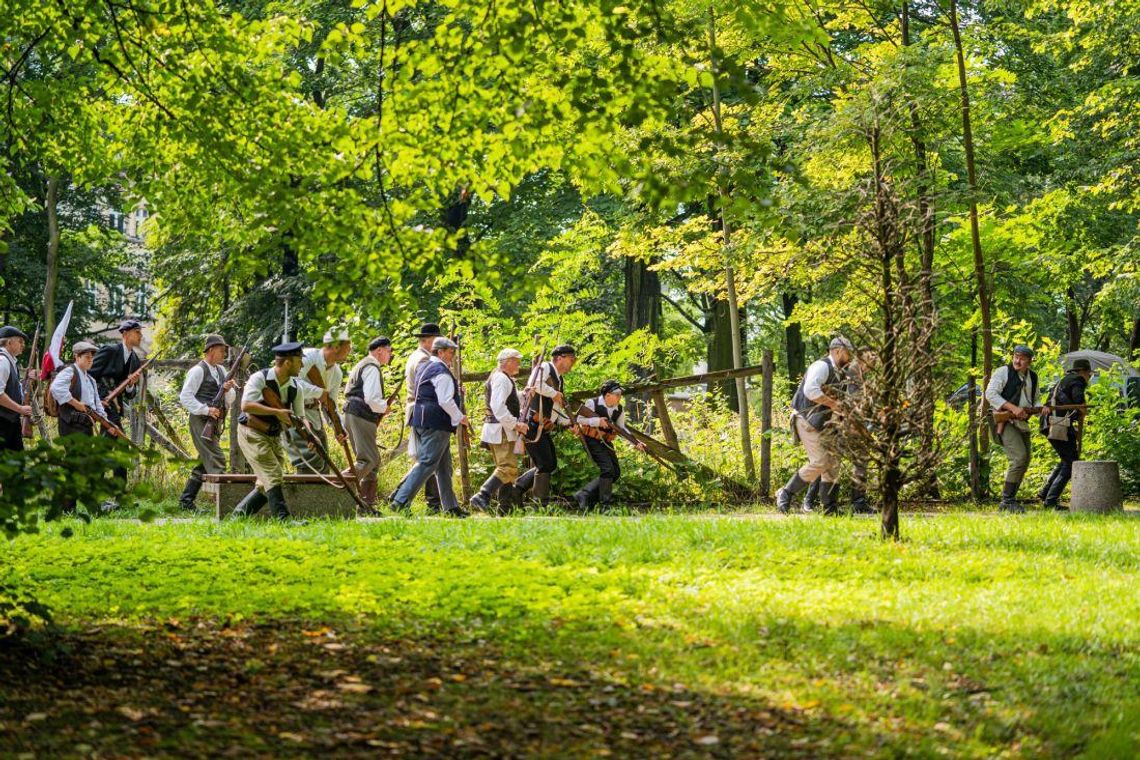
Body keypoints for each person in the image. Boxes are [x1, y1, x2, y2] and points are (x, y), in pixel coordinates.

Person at [231, 342, 323, 521]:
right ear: (287, 363)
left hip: (273, 435)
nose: (302, 366)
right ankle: (283, 519)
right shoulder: (260, 378)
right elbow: (246, 406)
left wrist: (310, 436)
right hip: (252, 432)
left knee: (269, 479)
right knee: (272, 473)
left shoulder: (296, 387)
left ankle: (238, 516)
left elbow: (300, 417)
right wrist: (276, 412)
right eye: (299, 361)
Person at [390, 337, 469, 517]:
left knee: (444, 467)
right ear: (440, 352)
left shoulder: (426, 367)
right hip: (436, 422)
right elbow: (445, 400)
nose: (453, 356)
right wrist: (460, 417)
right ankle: (400, 501)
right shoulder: (440, 370)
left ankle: (450, 506)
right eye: (450, 352)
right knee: (427, 463)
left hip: (423, 420)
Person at [776, 336, 854, 515]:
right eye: (848, 354)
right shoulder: (821, 366)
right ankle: (786, 493)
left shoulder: (841, 373)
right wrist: (833, 404)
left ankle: (830, 508)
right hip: (806, 419)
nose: (849, 358)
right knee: (820, 461)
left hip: (824, 424)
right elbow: (810, 391)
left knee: (833, 463)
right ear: (837, 351)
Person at [177, 335, 237, 510]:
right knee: (217, 458)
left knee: (203, 462)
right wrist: (206, 410)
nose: (224, 354)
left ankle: (185, 502)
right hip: (200, 420)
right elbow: (185, 396)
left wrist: (228, 389)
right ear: (211, 350)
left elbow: (229, 400)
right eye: (221, 350)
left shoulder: (222, 371)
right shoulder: (198, 370)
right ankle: (226, 506)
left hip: (213, 422)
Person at [88, 319, 145, 505]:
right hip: (102, 407)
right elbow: (89, 376)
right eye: (137, 332)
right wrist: (99, 400)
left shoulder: (135, 360)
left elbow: (129, 395)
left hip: (115, 409)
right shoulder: (109, 351)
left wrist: (131, 385)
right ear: (126, 334)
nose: (141, 335)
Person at [512, 344, 577, 506]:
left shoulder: (559, 378)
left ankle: (518, 489)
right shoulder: (544, 367)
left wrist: (569, 423)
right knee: (546, 464)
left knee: (549, 463)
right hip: (531, 423)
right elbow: (535, 385)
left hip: (542, 426)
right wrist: (555, 393)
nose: (572, 363)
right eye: (571, 359)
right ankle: (538, 503)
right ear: (559, 358)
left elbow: (555, 408)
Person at [469, 348, 529, 512]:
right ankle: (482, 495)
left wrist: (524, 395)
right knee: (507, 468)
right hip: (500, 429)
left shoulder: (504, 378)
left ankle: (505, 508)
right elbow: (498, 407)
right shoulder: (501, 378)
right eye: (516, 361)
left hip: (500, 428)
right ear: (508, 361)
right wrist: (516, 424)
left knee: (508, 471)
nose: (519, 364)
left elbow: (511, 401)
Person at [50, 342, 108, 513]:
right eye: (87, 357)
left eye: (92, 358)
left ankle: (67, 507)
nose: (90, 361)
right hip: (71, 424)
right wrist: (76, 403)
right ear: (77, 357)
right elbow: (56, 389)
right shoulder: (70, 371)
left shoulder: (90, 379)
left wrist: (107, 424)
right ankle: (80, 507)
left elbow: (97, 405)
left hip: (84, 425)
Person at [392, 322, 445, 511]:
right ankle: (404, 496)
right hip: (423, 410)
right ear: (429, 340)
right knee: (428, 458)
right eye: (437, 340)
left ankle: (430, 501)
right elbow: (431, 389)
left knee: (430, 458)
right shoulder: (424, 360)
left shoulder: (418, 356)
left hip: (418, 409)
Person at [572, 380, 646, 511]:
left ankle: (585, 494)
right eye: (617, 394)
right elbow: (578, 419)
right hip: (591, 439)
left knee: (615, 472)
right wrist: (597, 421)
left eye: (620, 394)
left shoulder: (619, 409)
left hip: (606, 441)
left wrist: (636, 442)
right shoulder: (592, 403)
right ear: (607, 395)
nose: (619, 397)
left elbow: (622, 429)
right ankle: (605, 505)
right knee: (608, 469)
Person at [285, 329, 351, 473]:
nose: (350, 349)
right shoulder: (307, 357)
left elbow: (330, 405)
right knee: (310, 461)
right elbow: (291, 383)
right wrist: (318, 392)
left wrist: (338, 428)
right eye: (347, 345)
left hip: (314, 415)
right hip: (294, 413)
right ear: (336, 347)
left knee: (324, 464)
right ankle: (305, 495)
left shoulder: (337, 373)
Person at [985, 345, 1039, 513]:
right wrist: (1014, 409)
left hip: (1021, 422)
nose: (1017, 360)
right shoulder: (1003, 372)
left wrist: (1041, 409)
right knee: (1019, 457)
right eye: (1016, 356)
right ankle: (1007, 501)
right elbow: (991, 394)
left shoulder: (1033, 377)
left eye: (1022, 358)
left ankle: (1011, 499)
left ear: (1029, 361)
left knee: (1025, 459)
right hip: (1005, 421)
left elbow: (1034, 400)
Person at [343, 336, 394, 506]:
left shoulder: (362, 364)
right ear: (379, 350)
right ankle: (336, 487)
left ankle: (366, 504)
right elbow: (371, 398)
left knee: (372, 462)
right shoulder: (372, 367)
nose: (390, 354)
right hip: (361, 415)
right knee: (368, 459)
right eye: (389, 351)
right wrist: (384, 407)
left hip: (354, 414)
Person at [1038, 358, 1092, 510]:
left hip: (1051, 422)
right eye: (1089, 373)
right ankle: (1050, 501)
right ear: (1083, 372)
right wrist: (1083, 409)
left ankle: (1046, 493)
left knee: (1065, 460)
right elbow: (1078, 401)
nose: (1089, 376)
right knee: (1071, 463)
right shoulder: (1077, 381)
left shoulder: (1064, 380)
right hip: (1057, 424)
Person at [0, 326, 33, 452]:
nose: (23, 345)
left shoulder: (9, 361)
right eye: (20, 341)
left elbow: (12, 389)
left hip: (9, 422)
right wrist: (20, 409)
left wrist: (27, 379)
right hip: (3, 423)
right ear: (9, 342)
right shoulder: (2, 361)